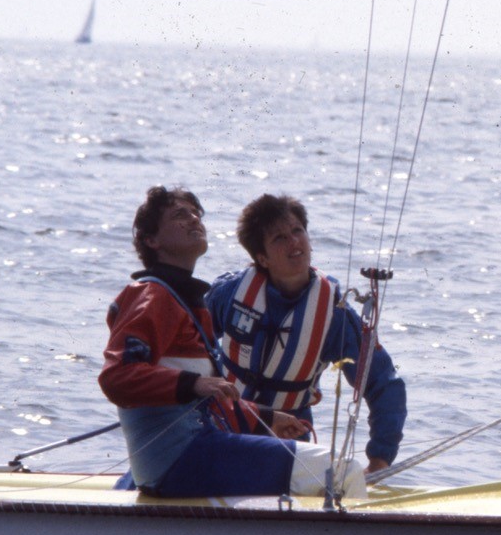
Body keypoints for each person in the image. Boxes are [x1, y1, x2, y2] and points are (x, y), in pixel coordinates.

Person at [98, 186, 364, 498]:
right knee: (343, 471)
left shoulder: (184, 300)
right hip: (182, 462)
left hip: (186, 457)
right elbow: (116, 377)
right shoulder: (151, 296)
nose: (194, 219)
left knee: (318, 470)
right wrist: (196, 383)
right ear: (151, 240)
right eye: (180, 215)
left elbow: (200, 404)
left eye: (196, 213)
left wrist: (267, 418)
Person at [206, 194, 406, 473]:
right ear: (262, 258)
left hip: (288, 441)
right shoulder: (229, 294)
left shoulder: (334, 314)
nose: (294, 242)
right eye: (279, 238)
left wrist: (379, 460)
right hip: (223, 428)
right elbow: (187, 344)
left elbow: (383, 383)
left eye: (297, 231)